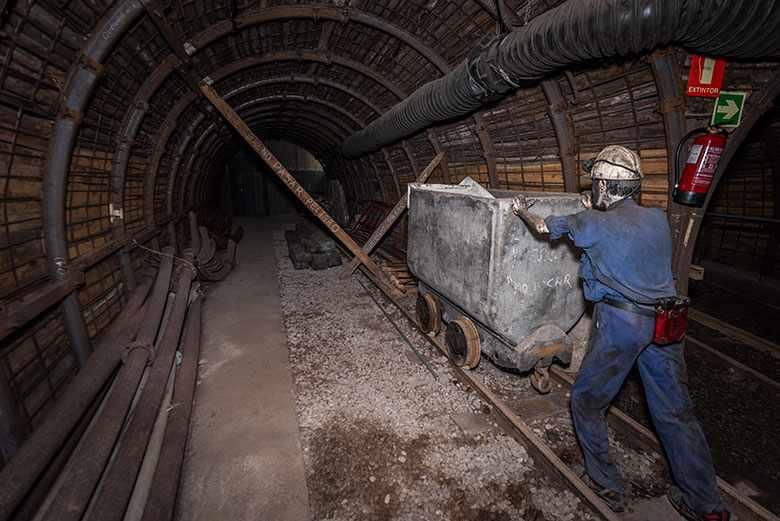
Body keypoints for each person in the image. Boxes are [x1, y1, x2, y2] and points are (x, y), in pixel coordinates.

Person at [511, 145, 731, 521]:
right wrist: (591, 204)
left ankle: (605, 486)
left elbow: (546, 227)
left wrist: (521, 210)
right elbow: (621, 229)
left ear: (606, 186)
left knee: (586, 400)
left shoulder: (592, 223)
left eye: (596, 182)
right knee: (676, 413)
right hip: (666, 324)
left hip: (622, 323)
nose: (594, 187)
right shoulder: (658, 219)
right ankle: (706, 505)